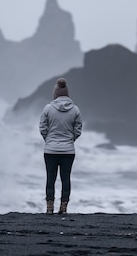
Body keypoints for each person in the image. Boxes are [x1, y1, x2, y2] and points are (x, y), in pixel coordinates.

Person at [39, 78, 83, 215]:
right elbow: (78, 129)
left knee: (50, 179)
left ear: (55, 93)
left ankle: (49, 207)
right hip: (68, 151)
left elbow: (42, 127)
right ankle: (64, 208)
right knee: (66, 179)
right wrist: (70, 140)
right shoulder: (75, 110)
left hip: (50, 150)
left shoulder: (48, 108)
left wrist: (49, 140)